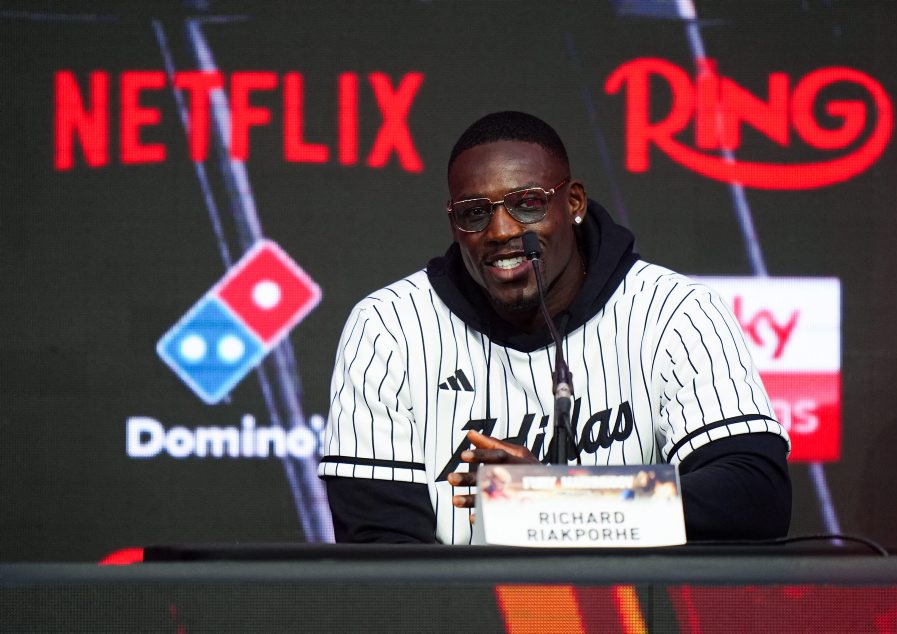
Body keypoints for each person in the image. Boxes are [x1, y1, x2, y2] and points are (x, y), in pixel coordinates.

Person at [317, 111, 791, 544]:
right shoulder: (390, 327)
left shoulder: (674, 311)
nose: (501, 231)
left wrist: (560, 501)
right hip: (461, 606)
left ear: (574, 202)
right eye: (475, 212)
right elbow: (379, 550)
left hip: (631, 604)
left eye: (527, 204)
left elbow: (755, 494)